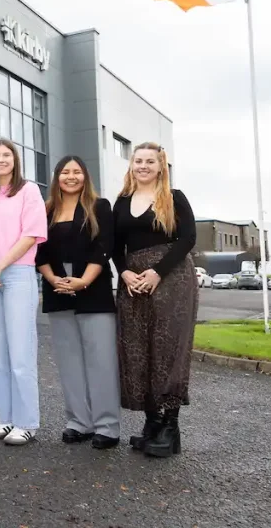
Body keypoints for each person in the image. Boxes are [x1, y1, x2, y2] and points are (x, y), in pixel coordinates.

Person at [112, 142, 197, 459]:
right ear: (131, 165)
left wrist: (157, 273)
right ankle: (152, 424)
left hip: (171, 281)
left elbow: (188, 238)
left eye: (150, 161)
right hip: (133, 285)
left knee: (167, 351)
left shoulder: (175, 199)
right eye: (138, 161)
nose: (143, 166)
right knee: (137, 351)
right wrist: (124, 274)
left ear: (161, 166)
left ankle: (170, 430)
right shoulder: (121, 202)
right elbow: (113, 246)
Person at [35, 155, 120, 450]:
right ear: (57, 177)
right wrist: (52, 279)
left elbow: (104, 247)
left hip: (93, 290)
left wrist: (83, 280)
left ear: (85, 176)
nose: (71, 177)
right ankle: (78, 422)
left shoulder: (100, 207)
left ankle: (107, 426)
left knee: (101, 360)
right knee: (69, 362)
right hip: (57, 291)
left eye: (77, 172)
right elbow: (39, 254)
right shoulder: (46, 211)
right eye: (65, 172)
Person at [0, 140, 47, 446]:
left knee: (20, 352)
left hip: (16, 274)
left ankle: (26, 422)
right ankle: (6, 418)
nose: (1, 160)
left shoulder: (28, 192)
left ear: (14, 160)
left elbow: (31, 235)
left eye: (6, 155)